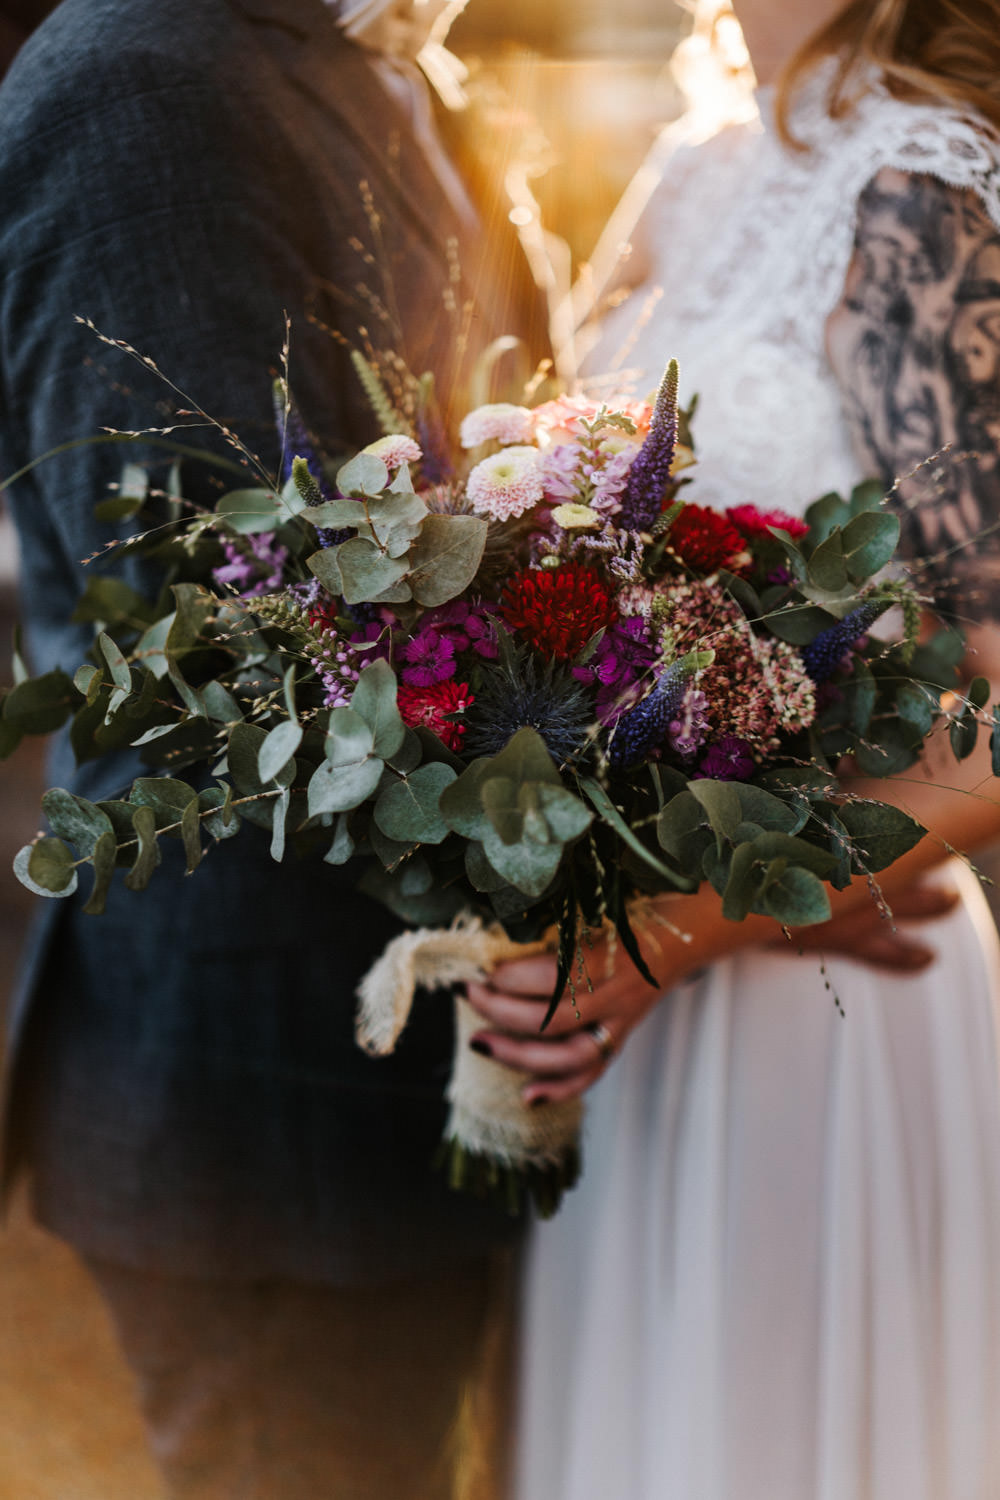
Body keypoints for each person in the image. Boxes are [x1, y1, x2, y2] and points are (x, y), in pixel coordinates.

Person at [0, 0, 547, 1495]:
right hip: (269, 1085)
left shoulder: (355, 60)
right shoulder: (139, 87)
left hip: (419, 1050)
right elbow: (240, 631)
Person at [464, 3, 1000, 1496]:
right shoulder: (696, 164)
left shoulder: (923, 193)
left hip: (809, 1001)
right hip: (623, 1005)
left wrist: (685, 931)